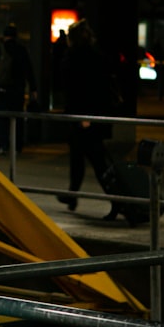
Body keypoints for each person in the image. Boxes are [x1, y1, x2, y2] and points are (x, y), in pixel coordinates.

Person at [59, 19, 117, 212]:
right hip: (95, 116)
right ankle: (73, 194)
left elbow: (77, 89)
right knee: (91, 159)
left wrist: (84, 118)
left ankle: (118, 201)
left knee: (92, 161)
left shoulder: (75, 56)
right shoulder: (96, 55)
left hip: (83, 117)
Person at [0, 22, 37, 153]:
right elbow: (29, 70)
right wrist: (33, 88)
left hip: (1, 90)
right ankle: (17, 145)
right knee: (17, 118)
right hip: (17, 91)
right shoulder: (21, 50)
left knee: (2, 118)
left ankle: (4, 145)